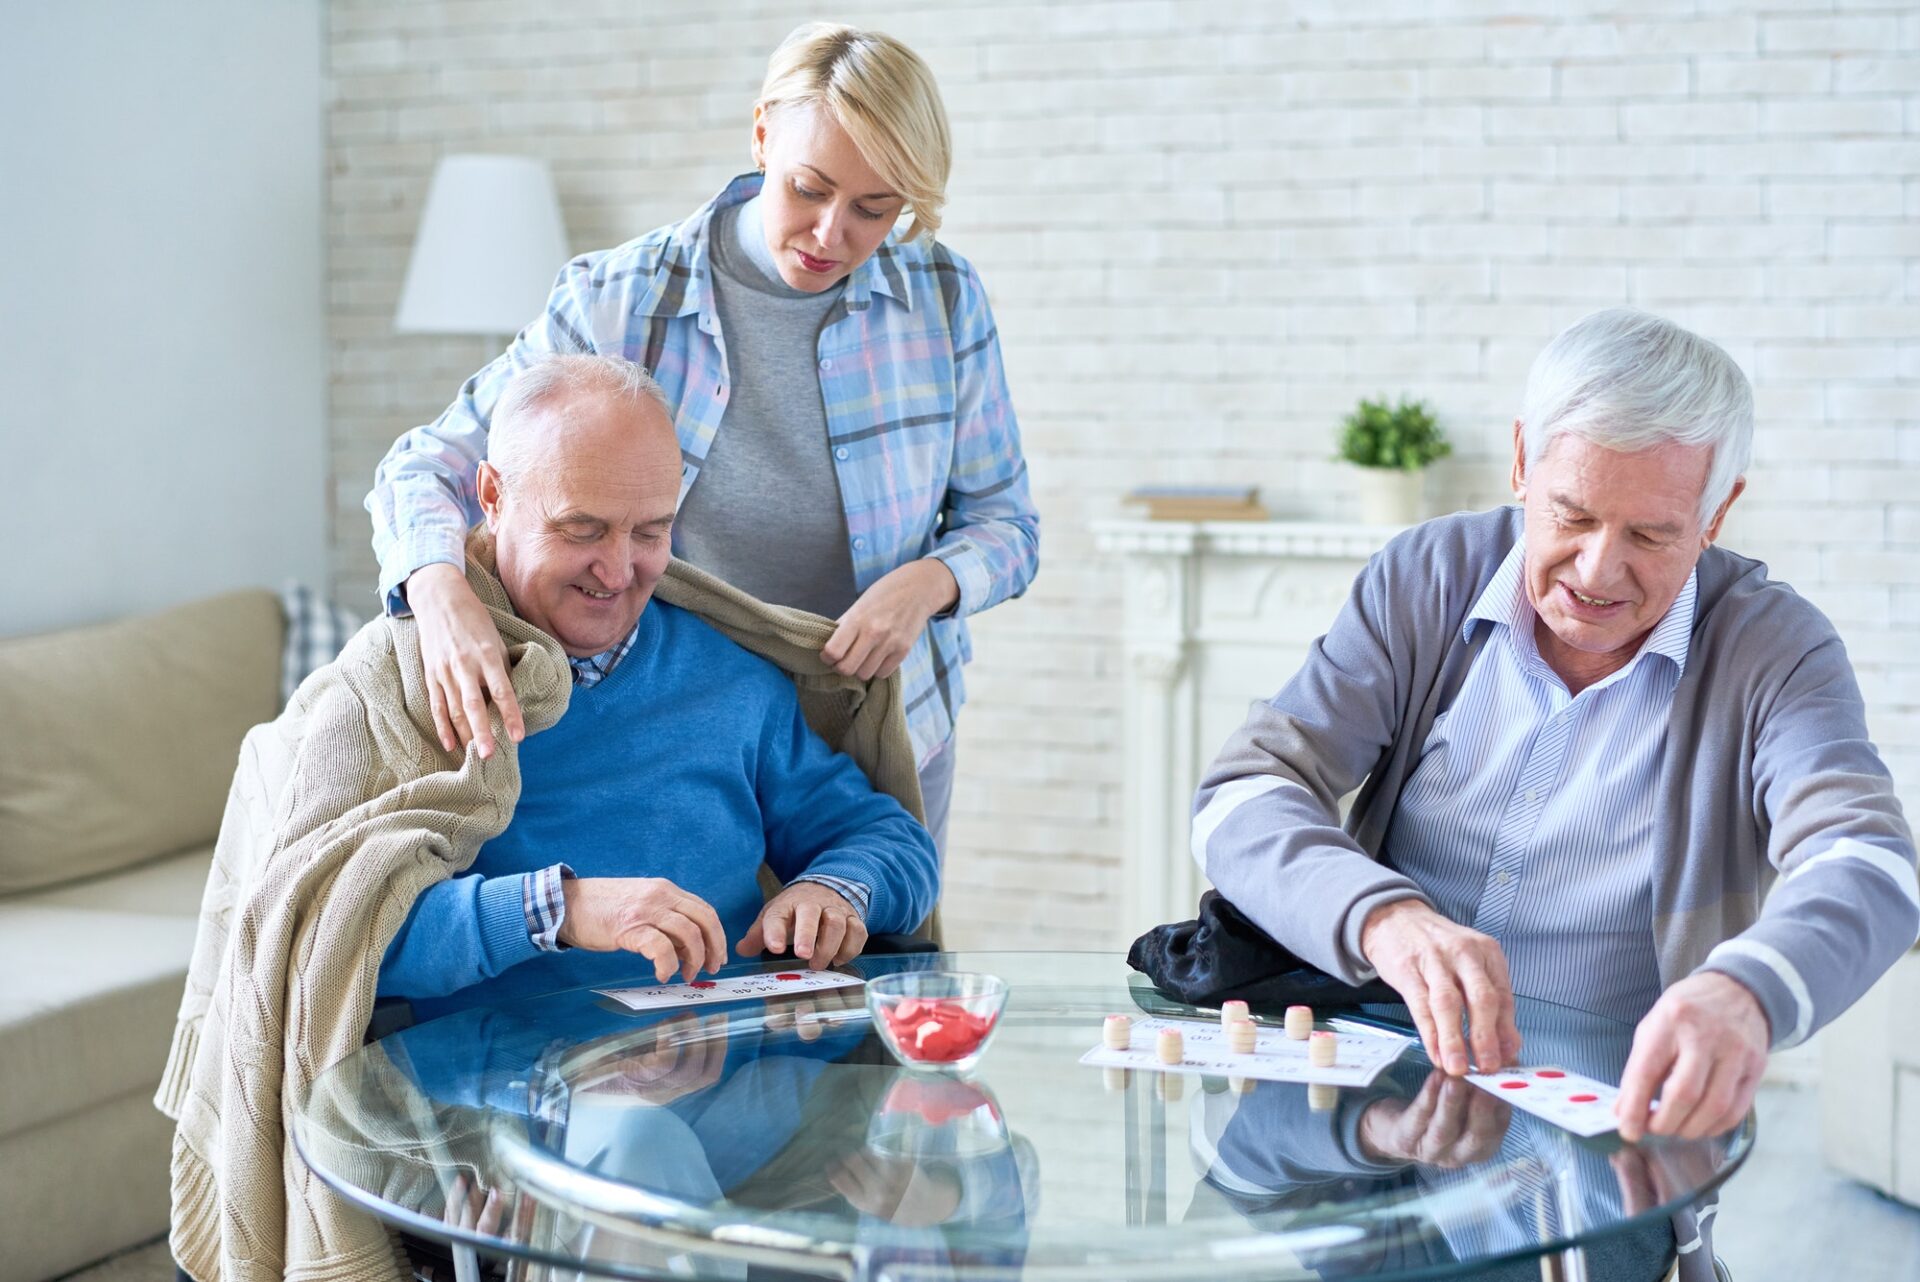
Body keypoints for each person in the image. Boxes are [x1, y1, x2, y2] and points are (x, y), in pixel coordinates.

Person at [159, 354, 938, 1280]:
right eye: (582, 530)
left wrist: (834, 887)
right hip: (504, 1104)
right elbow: (324, 934)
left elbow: (891, 841)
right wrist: (556, 909)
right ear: (491, 495)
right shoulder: (399, 689)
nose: (620, 569)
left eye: (651, 531)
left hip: (727, 1081)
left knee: (963, 1146)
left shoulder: (729, 678)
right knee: (640, 1159)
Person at [1189, 308, 1919, 1276]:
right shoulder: (1426, 577)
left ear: (1718, 512)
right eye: (1571, 516)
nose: (1596, 569)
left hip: (1601, 1139)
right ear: (1524, 461)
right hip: (1373, 1087)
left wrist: (1744, 992)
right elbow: (1245, 789)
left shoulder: (1773, 649)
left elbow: (1869, 862)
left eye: (1653, 533)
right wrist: (1386, 921)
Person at [366, 22, 1039, 859]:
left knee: (877, 962)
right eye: (809, 188)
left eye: (876, 208)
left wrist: (928, 583)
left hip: (886, 723)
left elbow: (1008, 524)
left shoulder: (944, 298)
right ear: (762, 135)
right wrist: (439, 595)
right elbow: (424, 465)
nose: (833, 234)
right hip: (682, 735)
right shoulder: (620, 300)